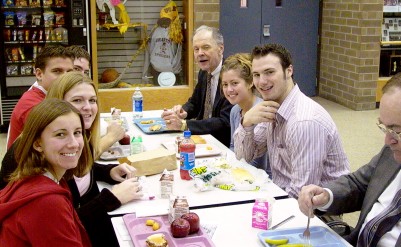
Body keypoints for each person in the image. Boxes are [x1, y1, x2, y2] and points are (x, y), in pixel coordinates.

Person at [1, 72, 143, 246]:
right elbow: (67, 221)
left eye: (92, 100)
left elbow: (81, 170)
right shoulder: (46, 199)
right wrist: (111, 198)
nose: (87, 108)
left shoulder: (55, 168)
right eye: (77, 101)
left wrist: (108, 171)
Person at [234, 43, 350, 198]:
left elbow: (302, 193)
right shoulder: (272, 106)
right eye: (256, 75)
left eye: (269, 72)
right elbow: (244, 157)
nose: (261, 82)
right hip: (283, 195)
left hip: (317, 214)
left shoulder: (304, 121)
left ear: (289, 71)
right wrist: (246, 122)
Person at [299, 74, 401, 246]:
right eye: (385, 127)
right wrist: (327, 196)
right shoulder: (392, 152)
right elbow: (360, 184)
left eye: (396, 130)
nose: (387, 140)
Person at [0, 98, 92, 246]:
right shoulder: (47, 202)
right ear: (37, 143)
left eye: (77, 132)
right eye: (60, 134)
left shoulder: (34, 178)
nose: (74, 144)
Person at [161, 25, 233, 147]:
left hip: (222, 143)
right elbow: (194, 103)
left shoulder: (231, 76)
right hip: (203, 139)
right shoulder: (204, 72)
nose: (200, 53)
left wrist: (184, 125)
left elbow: (225, 121)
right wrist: (182, 111)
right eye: (196, 49)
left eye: (206, 47)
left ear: (220, 49)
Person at [7, 45, 74, 149]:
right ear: (39, 74)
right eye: (57, 71)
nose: (65, 77)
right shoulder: (34, 106)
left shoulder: (51, 97)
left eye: (69, 72)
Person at [220, 53, 271, 176]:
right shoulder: (234, 111)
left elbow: (258, 163)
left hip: (260, 178)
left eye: (234, 83)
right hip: (240, 172)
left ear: (250, 83)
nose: (229, 90)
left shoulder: (261, 112)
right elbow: (233, 147)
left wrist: (232, 172)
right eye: (225, 84)